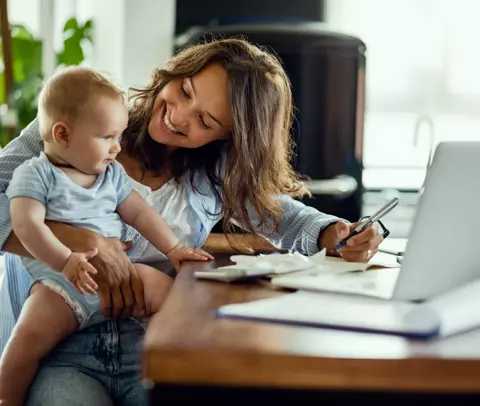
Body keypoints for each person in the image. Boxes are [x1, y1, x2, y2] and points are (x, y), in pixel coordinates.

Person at [0, 38, 383, 405]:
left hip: (150, 343)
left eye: (205, 119)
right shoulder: (78, 123)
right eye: (184, 90)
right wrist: (81, 240)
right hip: (58, 345)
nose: (178, 115)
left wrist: (336, 232)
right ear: (176, 72)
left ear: (229, 136)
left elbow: (287, 218)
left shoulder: (213, 174)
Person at [0, 67, 212, 406]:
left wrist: (173, 248)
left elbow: (139, 212)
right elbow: (26, 226)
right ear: (63, 135)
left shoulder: (110, 174)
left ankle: (161, 362)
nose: (117, 147)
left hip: (122, 274)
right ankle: (8, 399)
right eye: (106, 137)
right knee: (26, 339)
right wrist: (69, 258)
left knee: (172, 295)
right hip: (62, 284)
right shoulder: (35, 175)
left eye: (119, 136)